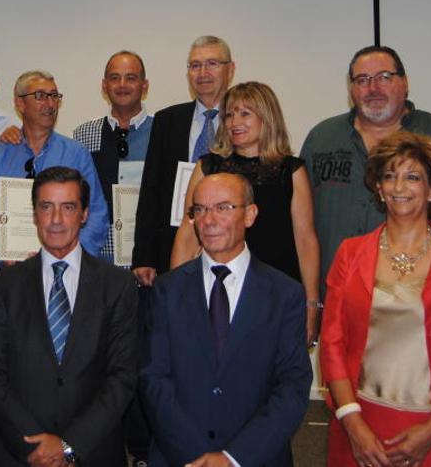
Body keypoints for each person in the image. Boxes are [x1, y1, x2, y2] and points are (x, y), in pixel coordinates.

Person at [319, 131, 431, 466]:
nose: (399, 187)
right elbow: (332, 343)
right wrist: (353, 422)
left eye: (413, 177)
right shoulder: (349, 253)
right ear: (379, 189)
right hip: (358, 423)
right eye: (389, 176)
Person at [140, 172, 311, 466]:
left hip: (256, 458)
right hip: (179, 457)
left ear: (250, 215)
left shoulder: (285, 295)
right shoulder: (167, 290)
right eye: (200, 210)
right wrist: (197, 456)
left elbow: (292, 388)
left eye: (223, 207)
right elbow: (154, 380)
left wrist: (233, 458)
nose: (208, 220)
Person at [300, 45, 431, 291]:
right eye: (362, 79)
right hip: (339, 297)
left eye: (385, 77)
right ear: (351, 88)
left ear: (405, 83)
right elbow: (300, 226)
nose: (373, 88)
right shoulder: (322, 139)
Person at [0, 166, 138, 466]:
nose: (56, 220)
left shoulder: (117, 285)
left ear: (85, 214)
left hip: (93, 452)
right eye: (46, 207)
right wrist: (35, 444)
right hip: (21, 452)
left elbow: (123, 377)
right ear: (35, 213)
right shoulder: (4, 286)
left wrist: (68, 445)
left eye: (68, 207)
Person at [171, 81, 321, 345]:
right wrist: (176, 297)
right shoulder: (208, 166)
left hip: (277, 296)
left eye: (244, 113)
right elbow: (187, 233)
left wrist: (311, 305)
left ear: (267, 118)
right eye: (229, 114)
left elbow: (306, 241)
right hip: (218, 292)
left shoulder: (292, 171)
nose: (233, 122)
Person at [0, 70, 109, 268]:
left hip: (67, 273)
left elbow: (97, 215)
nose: (50, 104)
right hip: (12, 276)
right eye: (40, 96)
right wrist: (2, 256)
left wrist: (71, 258)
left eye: (54, 96)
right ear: (20, 104)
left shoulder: (76, 154)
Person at [132, 35, 235, 286]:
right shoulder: (168, 121)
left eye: (212, 63)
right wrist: (143, 255)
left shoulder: (242, 120)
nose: (203, 72)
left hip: (229, 243)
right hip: (174, 244)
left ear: (230, 69)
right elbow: (151, 190)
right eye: (195, 65)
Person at [73, 50, 153, 263]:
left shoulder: (161, 131)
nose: (122, 85)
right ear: (104, 85)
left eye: (131, 78)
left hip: (147, 257)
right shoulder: (83, 135)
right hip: (98, 257)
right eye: (114, 78)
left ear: (144, 86)